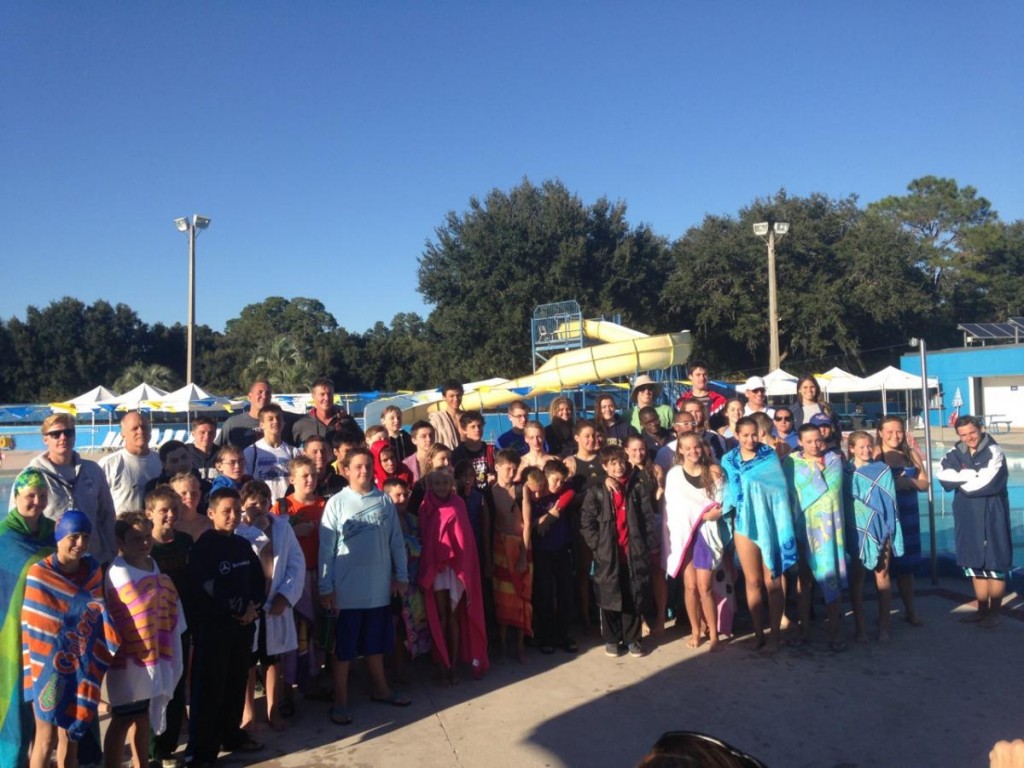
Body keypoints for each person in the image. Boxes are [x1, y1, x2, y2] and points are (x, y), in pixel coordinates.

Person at [319, 448, 411, 724]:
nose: (364, 471)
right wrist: (325, 588)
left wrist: (402, 576)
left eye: (368, 466)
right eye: (358, 466)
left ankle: (381, 689)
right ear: (345, 470)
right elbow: (326, 549)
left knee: (376, 646)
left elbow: (396, 541)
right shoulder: (336, 503)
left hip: (379, 590)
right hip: (346, 593)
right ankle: (341, 700)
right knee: (343, 651)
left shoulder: (384, 501)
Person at [22, 510, 121, 768]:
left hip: (82, 661)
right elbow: (36, 626)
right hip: (46, 668)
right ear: (59, 537)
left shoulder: (92, 571)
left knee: (72, 733)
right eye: (73, 537)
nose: (80, 544)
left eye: (85, 537)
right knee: (46, 737)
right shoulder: (39, 574)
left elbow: (97, 613)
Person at [186, 487, 266, 764]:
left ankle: (232, 735)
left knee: (236, 684)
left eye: (236, 511)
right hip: (214, 631)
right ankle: (201, 751)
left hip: (243, 629)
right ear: (211, 514)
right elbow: (207, 588)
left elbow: (257, 580)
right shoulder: (203, 548)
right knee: (210, 690)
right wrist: (237, 609)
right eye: (226, 512)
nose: (232, 516)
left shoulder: (242, 545)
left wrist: (253, 608)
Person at [103, 512, 185, 768]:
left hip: (155, 652)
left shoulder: (152, 563)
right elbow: (135, 606)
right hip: (129, 658)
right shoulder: (117, 571)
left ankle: (143, 764)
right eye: (135, 538)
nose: (144, 543)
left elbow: (158, 601)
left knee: (141, 718)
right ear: (120, 541)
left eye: (147, 537)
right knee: (122, 718)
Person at [721, 417, 797, 652]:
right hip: (744, 523)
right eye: (745, 435)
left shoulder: (768, 456)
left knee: (772, 579)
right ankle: (757, 635)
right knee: (752, 581)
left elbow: (780, 490)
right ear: (737, 435)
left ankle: (775, 636)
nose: (750, 439)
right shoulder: (728, 460)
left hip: (770, 522)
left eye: (754, 434)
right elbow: (728, 492)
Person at [237, 481, 304, 732]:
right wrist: (257, 532)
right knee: (248, 662)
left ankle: (273, 709)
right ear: (243, 505)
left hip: (275, 603)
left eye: (264, 502)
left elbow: (296, 563)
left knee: (272, 660)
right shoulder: (238, 532)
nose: (259, 507)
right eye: (252, 503)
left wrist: (286, 596)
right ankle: (248, 713)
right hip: (249, 606)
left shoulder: (283, 527)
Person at [581, 445, 658, 658]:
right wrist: (598, 544)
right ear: (604, 466)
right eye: (613, 463)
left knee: (633, 594)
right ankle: (613, 639)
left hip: (633, 551)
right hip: (608, 554)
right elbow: (587, 521)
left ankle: (633, 638)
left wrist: (648, 543)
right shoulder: (597, 490)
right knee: (609, 595)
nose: (618, 467)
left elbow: (647, 517)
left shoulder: (637, 487)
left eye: (621, 462)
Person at [0, 469, 55, 768]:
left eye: (42, 496)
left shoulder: (55, 532)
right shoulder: (4, 537)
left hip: (47, 633)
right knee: (14, 705)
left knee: (48, 707)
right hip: (10, 632)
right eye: (30, 496)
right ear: (17, 497)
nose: (36, 501)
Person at [937, 415, 1013, 628]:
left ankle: (994, 613)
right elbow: (942, 475)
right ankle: (981, 610)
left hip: (991, 515)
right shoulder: (954, 453)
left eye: (972, 432)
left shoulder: (994, 452)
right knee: (973, 564)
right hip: (966, 515)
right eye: (963, 434)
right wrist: (972, 474)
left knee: (994, 563)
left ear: (980, 428)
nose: (969, 437)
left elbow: (984, 484)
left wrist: (961, 478)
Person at [418, 469, 489, 683]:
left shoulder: (458, 503)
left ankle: (455, 663)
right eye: (436, 483)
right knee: (440, 617)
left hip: (455, 567)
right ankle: (442, 662)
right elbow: (425, 535)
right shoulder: (426, 505)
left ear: (451, 484)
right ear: (431, 485)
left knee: (454, 616)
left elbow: (464, 536)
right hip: (436, 568)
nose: (441, 486)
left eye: (444, 482)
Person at [20, 413, 117, 565]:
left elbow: (107, 514)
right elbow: (21, 521)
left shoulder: (93, 470)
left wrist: (111, 552)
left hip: (93, 560)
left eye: (68, 432)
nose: (63, 437)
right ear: (45, 439)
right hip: (51, 563)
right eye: (55, 434)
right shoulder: (31, 476)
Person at [662, 433, 729, 651]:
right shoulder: (673, 475)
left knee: (705, 587)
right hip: (684, 535)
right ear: (680, 450)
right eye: (687, 448)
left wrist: (710, 515)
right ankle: (695, 630)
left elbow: (721, 504)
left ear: (702, 447)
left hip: (706, 535)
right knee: (690, 587)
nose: (693, 451)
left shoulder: (714, 471)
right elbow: (672, 509)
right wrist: (699, 515)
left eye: (697, 447)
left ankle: (714, 634)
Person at [784, 423, 848, 651]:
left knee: (832, 580)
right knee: (803, 581)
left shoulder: (834, 460)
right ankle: (805, 630)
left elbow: (832, 491)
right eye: (808, 441)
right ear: (800, 442)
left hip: (830, 531)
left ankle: (835, 633)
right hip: (802, 527)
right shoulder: (792, 463)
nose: (814, 445)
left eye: (817, 440)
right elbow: (790, 493)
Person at [145, 485, 195, 767]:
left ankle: (167, 748)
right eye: (164, 510)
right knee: (155, 687)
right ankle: (152, 748)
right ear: (149, 513)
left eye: (174, 509)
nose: (170, 515)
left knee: (176, 684)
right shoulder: (144, 546)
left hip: (182, 624)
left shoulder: (186, 541)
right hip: (154, 630)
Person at [274, 456, 328, 698]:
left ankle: (314, 678)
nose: (310, 480)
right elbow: (269, 541)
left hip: (321, 573)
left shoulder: (325, 505)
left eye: (313, 475)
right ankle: (288, 685)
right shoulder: (282, 508)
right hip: (295, 579)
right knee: (294, 632)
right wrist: (293, 532)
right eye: (304, 475)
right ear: (292, 479)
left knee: (318, 628)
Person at [844, 431, 902, 643]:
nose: (866, 450)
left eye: (869, 446)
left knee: (882, 575)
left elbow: (890, 502)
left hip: (880, 528)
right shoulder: (845, 472)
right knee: (857, 578)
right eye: (860, 447)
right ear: (851, 449)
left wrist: (891, 529)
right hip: (856, 530)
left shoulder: (882, 470)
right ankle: (860, 628)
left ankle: (884, 627)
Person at [875, 415, 927, 627]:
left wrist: (905, 483)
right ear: (880, 433)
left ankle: (910, 611)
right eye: (890, 431)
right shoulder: (877, 455)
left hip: (909, 515)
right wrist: (903, 483)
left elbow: (925, 483)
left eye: (899, 431)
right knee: (883, 569)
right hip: (885, 516)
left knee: (907, 568)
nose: (895, 435)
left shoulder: (911, 453)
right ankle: (884, 616)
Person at [528, 460, 578, 654]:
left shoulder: (564, 493)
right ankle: (545, 636)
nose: (558, 484)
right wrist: (542, 519)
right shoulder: (535, 495)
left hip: (562, 548)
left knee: (565, 592)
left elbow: (571, 492)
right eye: (555, 480)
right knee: (544, 594)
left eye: (561, 481)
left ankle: (563, 634)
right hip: (541, 551)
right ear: (544, 476)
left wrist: (550, 517)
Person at [492, 458, 533, 663]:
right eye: (507, 467)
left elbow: (527, 523)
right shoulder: (490, 492)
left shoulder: (521, 489)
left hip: (520, 547)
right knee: (502, 600)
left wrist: (524, 555)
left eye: (514, 468)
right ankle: (502, 645)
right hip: (500, 549)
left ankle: (520, 646)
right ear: (497, 467)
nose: (511, 472)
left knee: (522, 600)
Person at [99, 411, 163, 514]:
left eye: (144, 427)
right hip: (121, 527)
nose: (140, 431)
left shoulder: (161, 461)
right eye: (134, 428)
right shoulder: (109, 464)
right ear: (123, 435)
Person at [243, 403, 300, 501]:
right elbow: (245, 483)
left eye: (278, 418)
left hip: (287, 507)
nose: (275, 421)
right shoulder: (251, 451)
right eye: (270, 419)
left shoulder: (293, 452)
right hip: (261, 506)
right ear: (261, 424)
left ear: (283, 423)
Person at [291, 377, 362, 447]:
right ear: (313, 396)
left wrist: (347, 425)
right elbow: (291, 450)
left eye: (329, 394)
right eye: (322, 394)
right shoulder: (303, 424)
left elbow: (361, 441)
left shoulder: (345, 419)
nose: (327, 398)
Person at [219, 379, 273, 450]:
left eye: (268, 393)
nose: (264, 396)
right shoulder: (233, 424)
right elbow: (216, 451)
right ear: (250, 397)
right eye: (260, 392)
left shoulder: (277, 423)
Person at [452, 410, 495, 490]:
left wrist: (495, 478)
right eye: (473, 427)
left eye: (479, 426)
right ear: (464, 430)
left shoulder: (491, 450)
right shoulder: (457, 454)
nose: (477, 430)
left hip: (489, 495)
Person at [675, 360, 726, 427]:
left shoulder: (719, 401)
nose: (702, 378)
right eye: (698, 375)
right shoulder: (681, 402)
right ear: (690, 377)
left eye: (704, 374)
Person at [171, 470, 211, 543]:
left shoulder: (210, 524)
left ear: (200, 494)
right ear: (174, 495)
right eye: (183, 493)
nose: (189, 496)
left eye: (194, 493)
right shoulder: (169, 525)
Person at [428, 380, 464, 449]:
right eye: (451, 396)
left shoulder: (468, 417)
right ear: (444, 397)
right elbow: (432, 444)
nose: (456, 399)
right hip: (446, 458)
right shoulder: (437, 419)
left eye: (458, 395)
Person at [189, 417, 220, 482]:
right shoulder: (185, 454)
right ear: (193, 434)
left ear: (215, 434)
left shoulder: (222, 454)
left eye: (210, 433)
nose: (207, 436)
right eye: (202, 432)